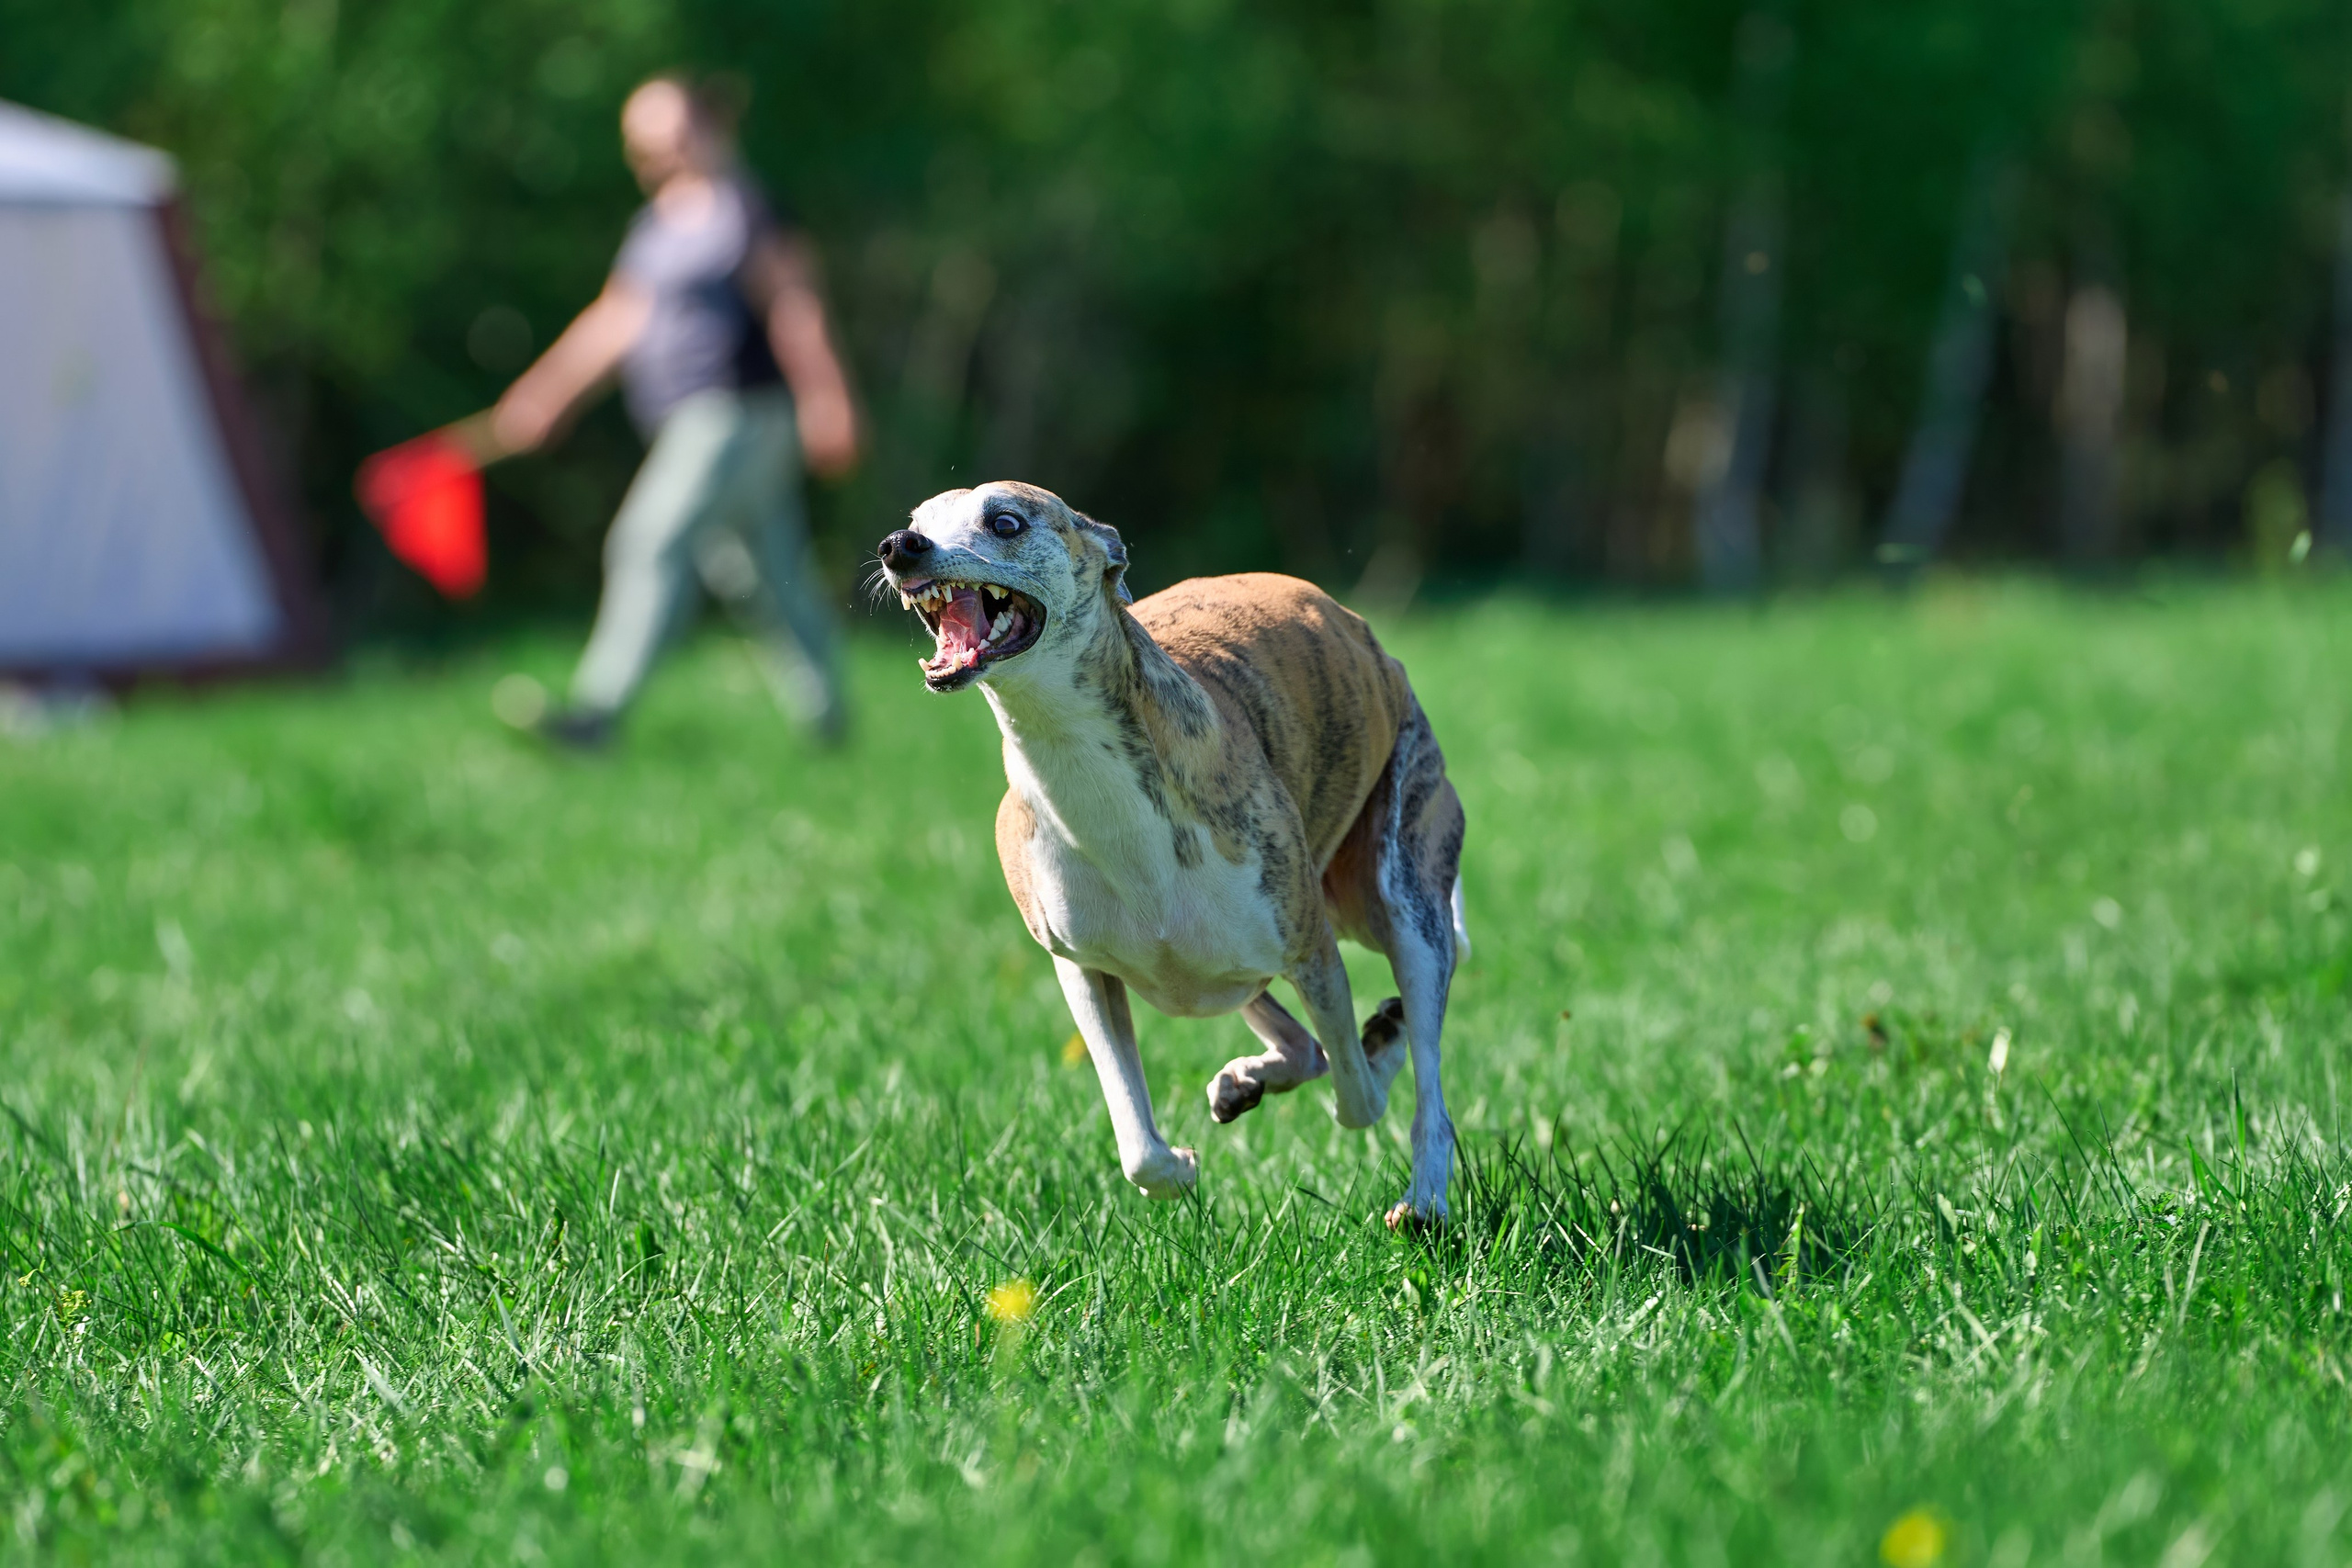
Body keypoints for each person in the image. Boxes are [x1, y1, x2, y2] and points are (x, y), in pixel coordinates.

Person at [490, 73, 860, 747]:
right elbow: (616, 319)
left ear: (711, 127)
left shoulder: (747, 210)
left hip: (738, 414)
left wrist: (828, 399)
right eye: (640, 139)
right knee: (764, 574)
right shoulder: (655, 226)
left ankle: (596, 714)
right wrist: (545, 393)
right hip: (683, 418)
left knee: (648, 538)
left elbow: (795, 308)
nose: (654, 149)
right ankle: (830, 721)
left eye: (670, 132)